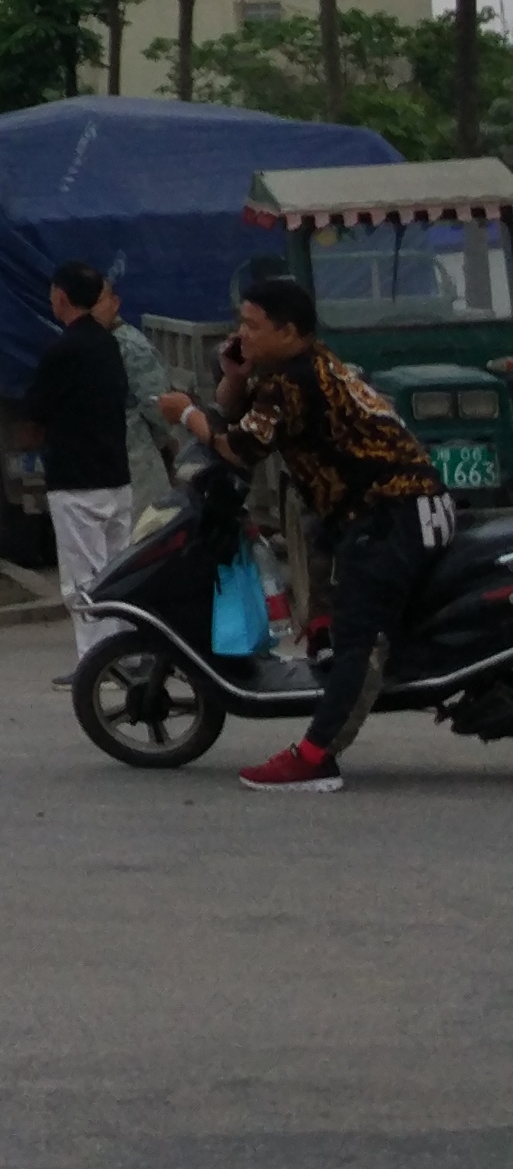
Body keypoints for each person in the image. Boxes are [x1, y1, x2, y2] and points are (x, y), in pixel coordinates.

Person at [161, 271, 450, 795]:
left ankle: (317, 757)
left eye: (253, 326)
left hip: (393, 513)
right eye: (240, 324)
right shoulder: (302, 369)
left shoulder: (295, 381)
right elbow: (238, 417)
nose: (242, 334)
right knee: (329, 599)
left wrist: (186, 416)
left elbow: (240, 448)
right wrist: (234, 377)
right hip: (383, 511)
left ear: (289, 331)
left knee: (361, 640)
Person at [23, 261, 138, 657]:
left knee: (84, 581)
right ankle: (128, 653)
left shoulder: (62, 351)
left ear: (61, 297)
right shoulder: (109, 345)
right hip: (117, 477)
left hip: (75, 483)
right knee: (118, 573)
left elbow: (36, 410)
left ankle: (98, 662)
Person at [94, 280, 177, 515]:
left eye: (98, 301)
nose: (92, 309)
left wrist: (161, 443)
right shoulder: (94, 343)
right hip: (111, 468)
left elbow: (159, 408)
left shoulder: (131, 346)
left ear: (114, 303)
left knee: (146, 527)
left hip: (139, 465)